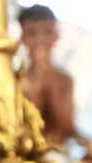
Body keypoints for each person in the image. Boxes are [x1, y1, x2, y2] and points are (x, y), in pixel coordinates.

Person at [18, 4, 76, 145]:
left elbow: (67, 128)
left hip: (57, 151)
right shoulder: (16, 81)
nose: (40, 39)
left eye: (47, 32)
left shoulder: (64, 80)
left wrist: (47, 80)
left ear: (56, 36)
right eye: (32, 33)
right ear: (23, 38)